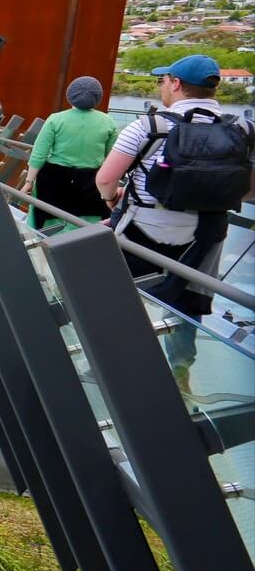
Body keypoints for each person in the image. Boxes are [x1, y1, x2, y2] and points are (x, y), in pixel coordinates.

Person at [95, 55, 254, 378]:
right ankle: (180, 368)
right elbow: (248, 190)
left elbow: (105, 179)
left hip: (141, 229)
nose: (161, 87)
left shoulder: (148, 127)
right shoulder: (241, 130)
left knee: (123, 295)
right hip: (206, 234)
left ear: (176, 84)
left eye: (162, 81)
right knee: (187, 301)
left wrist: (113, 199)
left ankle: (118, 365)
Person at [19, 75, 116, 230]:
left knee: (47, 220)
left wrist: (29, 182)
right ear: (97, 97)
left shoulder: (55, 119)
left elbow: (39, 154)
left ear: (70, 96)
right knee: (87, 222)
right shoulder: (108, 122)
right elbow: (112, 157)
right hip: (91, 180)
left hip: (54, 179)